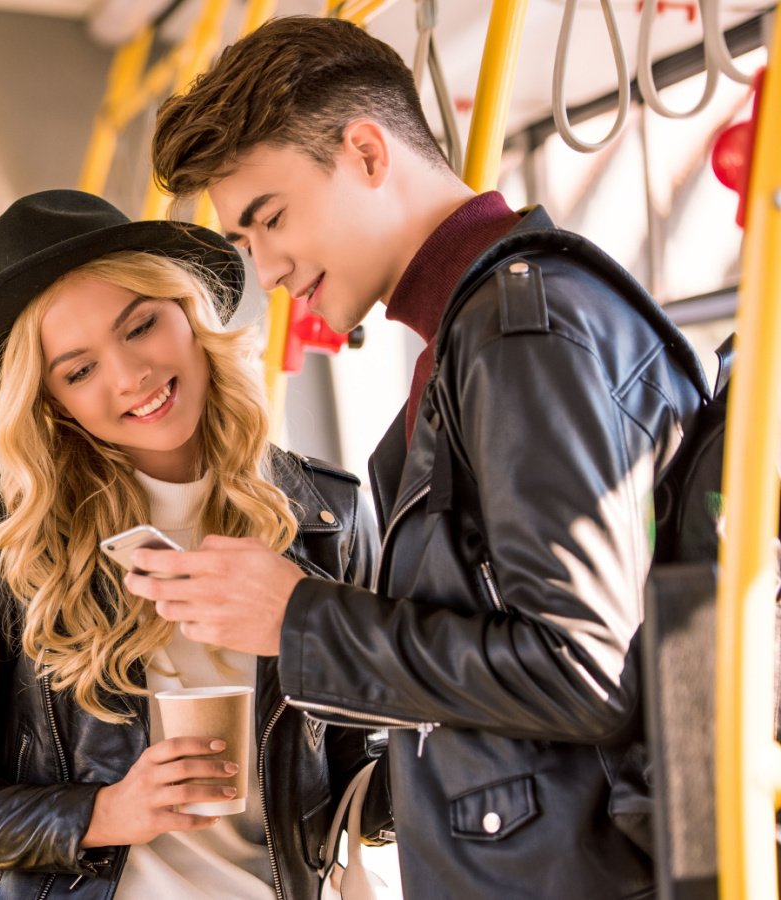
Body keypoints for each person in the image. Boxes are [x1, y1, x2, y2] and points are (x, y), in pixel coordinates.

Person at [132, 15, 708, 899]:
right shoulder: (469, 338)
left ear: (367, 152)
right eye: (246, 245)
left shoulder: (525, 330)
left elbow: (580, 669)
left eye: (270, 219)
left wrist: (299, 619)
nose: (270, 268)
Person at [0, 189, 383, 900]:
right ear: (52, 402)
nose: (129, 376)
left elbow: (367, 776)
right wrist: (103, 813)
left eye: (140, 326)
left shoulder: (325, 517)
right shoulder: (4, 540)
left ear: (187, 314)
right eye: (79, 370)